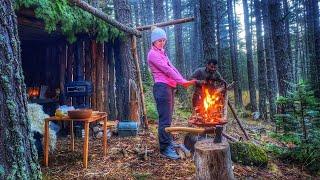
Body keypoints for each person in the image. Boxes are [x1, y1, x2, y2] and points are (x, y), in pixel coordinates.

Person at [147, 26, 195, 160]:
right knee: (165, 120)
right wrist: (182, 82)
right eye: (159, 41)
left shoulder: (162, 53)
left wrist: (183, 80)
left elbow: (172, 68)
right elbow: (167, 71)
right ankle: (164, 148)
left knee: (168, 118)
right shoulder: (153, 54)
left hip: (168, 87)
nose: (162, 43)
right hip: (162, 88)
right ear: (153, 42)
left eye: (163, 40)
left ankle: (168, 142)